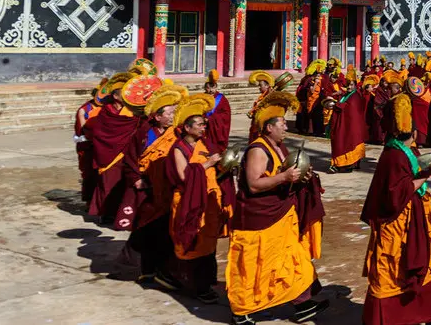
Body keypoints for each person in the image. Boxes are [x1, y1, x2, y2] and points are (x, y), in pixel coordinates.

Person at [226, 92, 328, 325]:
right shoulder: (258, 150)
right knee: (255, 264)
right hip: (259, 218)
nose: (285, 128)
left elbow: (287, 172)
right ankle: (242, 311)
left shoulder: (278, 147)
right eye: (282, 124)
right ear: (269, 127)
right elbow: (253, 184)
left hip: (280, 215)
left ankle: (302, 303)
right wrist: (284, 177)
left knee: (291, 259)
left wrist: (302, 177)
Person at [359, 93, 431, 325]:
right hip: (396, 224)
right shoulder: (393, 156)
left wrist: (425, 172)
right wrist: (427, 175)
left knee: (423, 263)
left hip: (413, 219)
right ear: (411, 132)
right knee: (393, 270)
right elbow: (396, 193)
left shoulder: (406, 152)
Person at [168, 93, 228, 303]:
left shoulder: (205, 145)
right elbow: (185, 175)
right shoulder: (178, 149)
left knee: (208, 242)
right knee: (192, 242)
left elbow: (216, 169)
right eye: (200, 125)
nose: (204, 128)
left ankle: (206, 282)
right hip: (189, 201)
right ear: (187, 128)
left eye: (205, 124)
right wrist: (209, 163)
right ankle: (195, 286)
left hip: (209, 200)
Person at [128, 84, 185, 287]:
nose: (172, 116)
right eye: (169, 113)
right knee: (148, 229)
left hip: (169, 189)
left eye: (174, 112)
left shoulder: (176, 133)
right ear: (157, 116)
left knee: (165, 231)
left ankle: (162, 269)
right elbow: (129, 158)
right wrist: (136, 178)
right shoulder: (144, 133)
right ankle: (148, 270)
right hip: (149, 189)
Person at [83, 76, 140, 225]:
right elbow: (100, 133)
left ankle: (118, 213)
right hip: (108, 154)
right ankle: (103, 213)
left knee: (123, 184)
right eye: (124, 92)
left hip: (126, 153)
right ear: (115, 96)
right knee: (107, 184)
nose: (129, 95)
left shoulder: (133, 112)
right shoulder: (105, 112)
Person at [327, 77, 368, 174]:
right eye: (347, 85)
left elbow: (350, 108)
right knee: (343, 141)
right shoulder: (347, 95)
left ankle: (345, 164)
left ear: (355, 86)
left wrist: (336, 104)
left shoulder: (355, 96)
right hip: (346, 124)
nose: (349, 87)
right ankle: (347, 163)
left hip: (351, 126)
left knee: (346, 142)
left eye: (351, 85)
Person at [74, 85, 104, 205]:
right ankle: (89, 201)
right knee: (89, 174)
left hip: (102, 145)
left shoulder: (107, 108)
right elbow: (84, 128)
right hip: (88, 144)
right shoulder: (84, 110)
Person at [202, 72, 232, 154]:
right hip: (205, 128)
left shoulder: (221, 99)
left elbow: (226, 114)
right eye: (208, 88)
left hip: (217, 129)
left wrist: (211, 119)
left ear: (216, 88)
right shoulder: (202, 98)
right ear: (205, 88)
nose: (211, 90)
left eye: (213, 88)